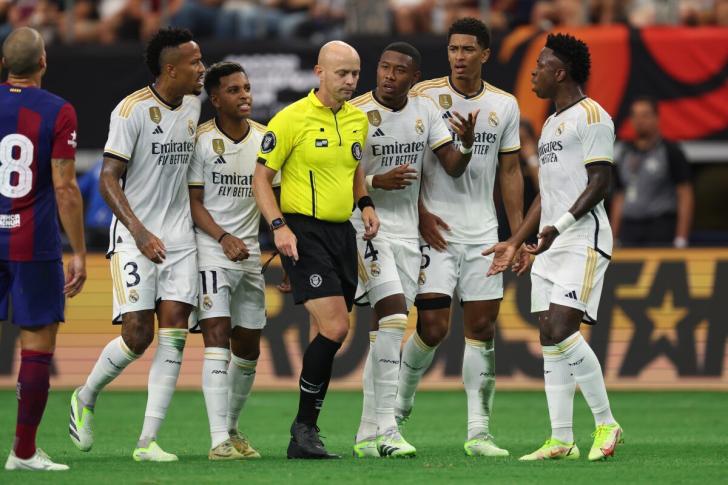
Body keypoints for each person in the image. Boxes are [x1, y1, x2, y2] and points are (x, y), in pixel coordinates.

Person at [485, 33, 623, 462]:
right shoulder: (548, 124)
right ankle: (561, 438)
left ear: (560, 72)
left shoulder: (593, 116)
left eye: (540, 65)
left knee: (562, 329)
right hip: (550, 243)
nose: (533, 72)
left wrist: (557, 229)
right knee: (548, 335)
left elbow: (600, 183)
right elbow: (545, 196)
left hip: (581, 240)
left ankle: (607, 422)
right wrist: (517, 241)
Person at [69, 27, 204, 462]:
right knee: (138, 335)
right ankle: (85, 395)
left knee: (175, 332)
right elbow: (108, 178)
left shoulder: (194, 103)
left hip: (180, 237)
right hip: (134, 236)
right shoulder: (131, 111)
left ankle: (148, 442)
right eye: (195, 63)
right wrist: (139, 231)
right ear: (171, 70)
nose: (201, 68)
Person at [394, 17, 525, 457]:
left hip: (483, 231)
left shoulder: (504, 104)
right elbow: (406, 155)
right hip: (435, 230)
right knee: (432, 328)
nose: (459, 57)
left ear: (485, 54)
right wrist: (419, 213)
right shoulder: (424, 96)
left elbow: (510, 171)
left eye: (468, 49)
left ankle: (479, 432)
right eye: (453, 49)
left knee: (482, 329)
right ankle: (398, 409)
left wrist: (516, 236)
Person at [349, 42, 478, 458]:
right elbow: (339, 176)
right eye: (384, 67)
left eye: (399, 70)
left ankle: (366, 435)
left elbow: (452, 165)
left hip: (407, 235)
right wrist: (375, 183)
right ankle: (388, 429)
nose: (389, 76)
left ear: (414, 77)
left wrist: (467, 144)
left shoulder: (425, 111)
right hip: (367, 228)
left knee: (385, 332)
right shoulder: (356, 114)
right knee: (394, 318)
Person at [253, 40, 379, 459]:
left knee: (324, 332)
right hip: (302, 231)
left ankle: (305, 437)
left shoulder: (357, 120)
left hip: (342, 234)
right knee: (336, 328)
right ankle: (303, 426)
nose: (350, 80)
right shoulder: (290, 119)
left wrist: (365, 203)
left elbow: (353, 168)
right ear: (319, 72)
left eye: (355, 73)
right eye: (342, 73)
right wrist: (278, 228)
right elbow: (260, 179)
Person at [1, 26, 86, 472]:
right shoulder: (58, 110)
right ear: (43, 62)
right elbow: (65, 186)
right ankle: (23, 452)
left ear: (3, 64)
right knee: (37, 344)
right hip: (32, 242)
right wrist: (79, 252)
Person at [187, 61, 272, 461]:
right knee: (217, 336)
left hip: (250, 255)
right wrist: (222, 237)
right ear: (216, 98)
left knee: (249, 347)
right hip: (212, 250)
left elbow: (274, 198)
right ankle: (217, 437)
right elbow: (194, 203)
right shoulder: (202, 141)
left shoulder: (265, 139)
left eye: (247, 88)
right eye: (234, 90)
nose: (245, 96)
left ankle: (233, 428)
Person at [610, 96, 694, 248]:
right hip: (629, 228)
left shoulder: (670, 151)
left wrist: (681, 238)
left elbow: (685, 194)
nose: (640, 121)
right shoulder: (623, 152)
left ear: (656, 118)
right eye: (635, 115)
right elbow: (619, 196)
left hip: (660, 227)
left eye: (645, 115)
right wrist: (613, 237)